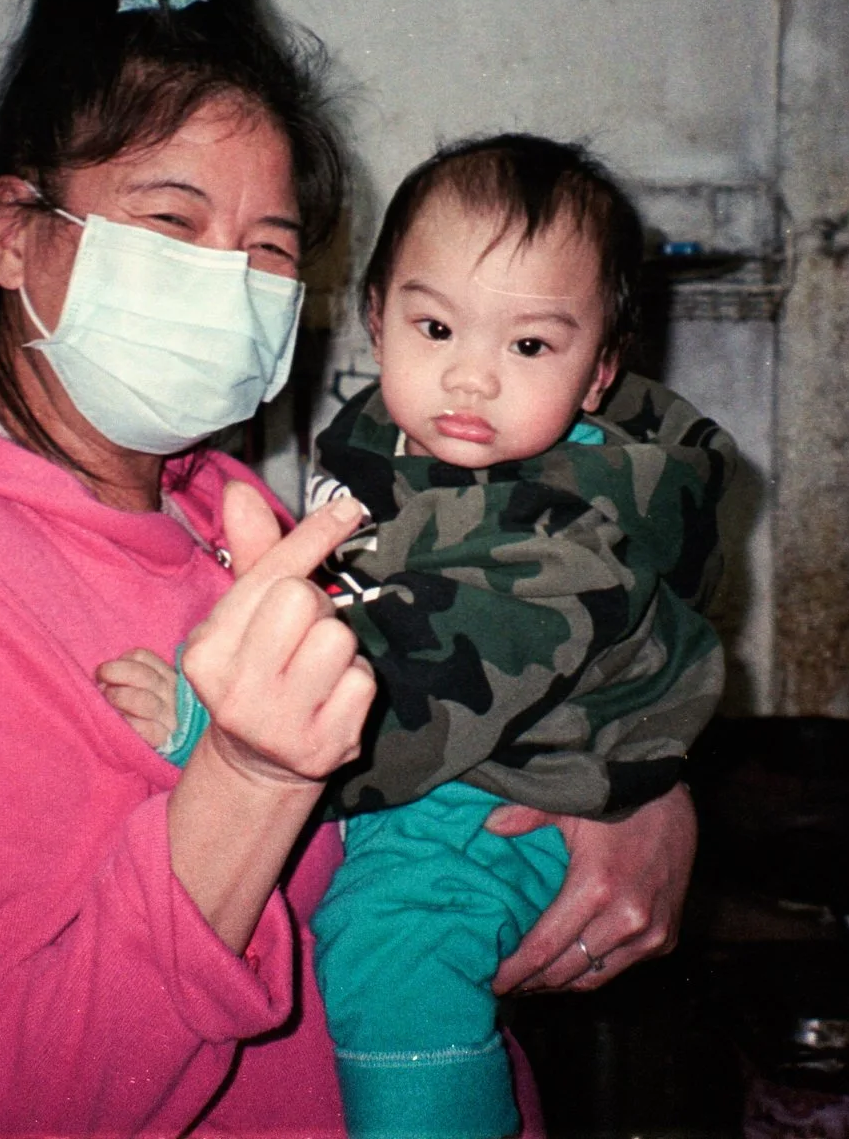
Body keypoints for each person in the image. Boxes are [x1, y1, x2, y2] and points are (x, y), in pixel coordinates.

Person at [0, 0, 699, 1137]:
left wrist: (633, 791)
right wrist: (248, 778)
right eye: (172, 221)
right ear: (14, 236)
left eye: (269, 248)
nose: (227, 278)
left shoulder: (219, 497)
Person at [100, 135, 730, 1139]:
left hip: (500, 795)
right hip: (461, 773)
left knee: (388, 948)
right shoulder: (393, 444)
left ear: (599, 374)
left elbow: (419, 688)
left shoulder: (562, 529)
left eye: (530, 347)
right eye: (435, 327)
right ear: (376, 317)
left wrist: (207, 724)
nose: (470, 378)